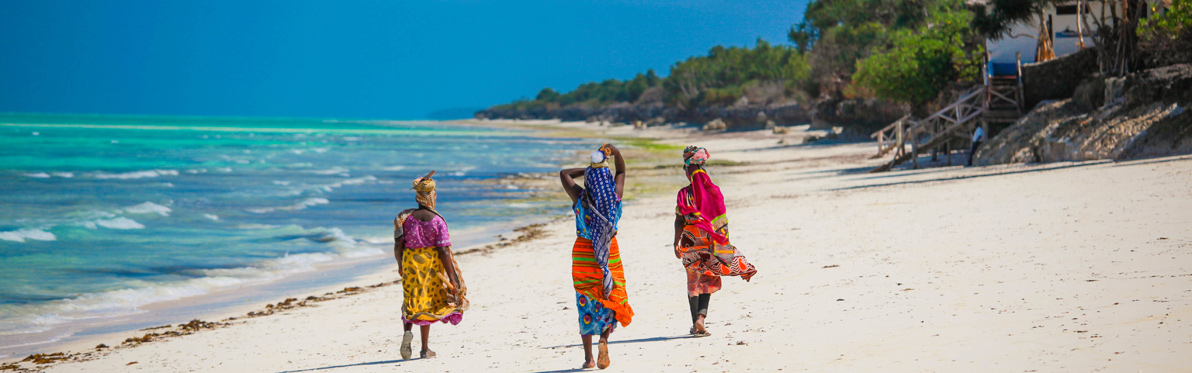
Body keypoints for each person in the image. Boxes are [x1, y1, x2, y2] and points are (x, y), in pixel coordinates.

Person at [559, 144, 634, 370]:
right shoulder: (615, 199)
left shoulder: (580, 198)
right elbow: (621, 172)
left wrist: (589, 169)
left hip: (583, 253)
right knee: (609, 296)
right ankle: (604, 338)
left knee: (585, 300)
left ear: (591, 178)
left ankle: (589, 358)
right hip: (609, 253)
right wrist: (614, 154)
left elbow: (564, 174)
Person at [673, 146, 757, 337]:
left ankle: (695, 323)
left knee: (693, 281)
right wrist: (723, 242)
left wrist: (675, 242)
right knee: (708, 278)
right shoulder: (714, 192)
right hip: (711, 242)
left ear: (688, 171)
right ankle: (700, 319)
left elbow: (679, 220)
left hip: (689, 242)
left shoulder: (683, 195)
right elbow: (720, 221)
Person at [393, 171, 468, 360]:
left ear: (418, 196)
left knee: (411, 299)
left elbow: (398, 245)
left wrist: (400, 265)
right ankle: (425, 349)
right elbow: (444, 250)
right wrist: (452, 277)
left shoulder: (403, 217)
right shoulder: (438, 220)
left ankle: (407, 331)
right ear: (431, 196)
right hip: (431, 265)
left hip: (410, 263)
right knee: (426, 303)